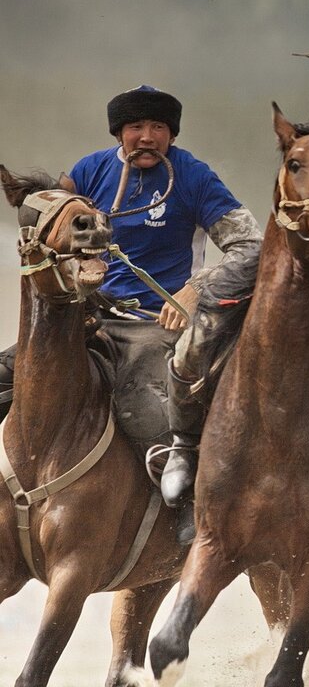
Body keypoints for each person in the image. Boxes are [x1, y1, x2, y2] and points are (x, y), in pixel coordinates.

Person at [55, 87, 257, 535]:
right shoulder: (88, 171)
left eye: (158, 128)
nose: (147, 137)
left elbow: (250, 246)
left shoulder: (194, 177)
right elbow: (53, 227)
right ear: (119, 133)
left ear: (171, 134)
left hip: (154, 325)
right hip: (87, 316)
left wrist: (194, 291)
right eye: (136, 127)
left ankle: (190, 507)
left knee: (137, 401)